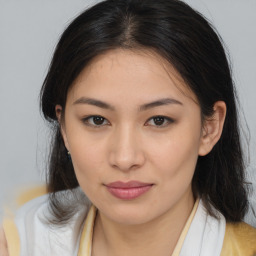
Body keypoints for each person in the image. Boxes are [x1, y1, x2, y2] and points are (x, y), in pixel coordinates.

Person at [1, 0, 256, 255]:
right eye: (97, 120)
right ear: (64, 128)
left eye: (159, 120)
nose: (125, 158)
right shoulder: (17, 241)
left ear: (209, 128)